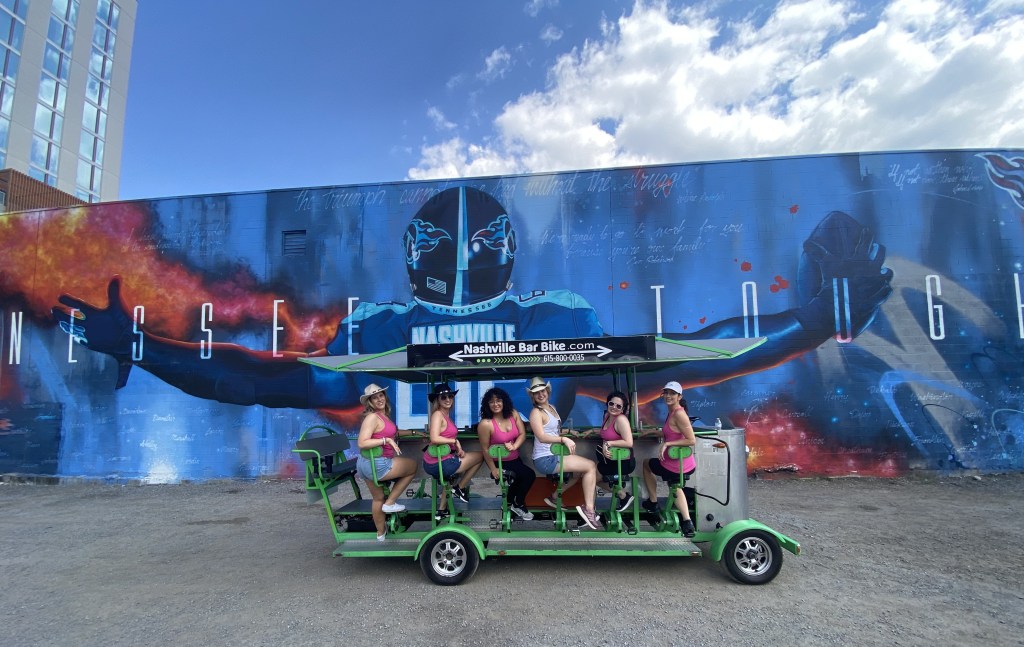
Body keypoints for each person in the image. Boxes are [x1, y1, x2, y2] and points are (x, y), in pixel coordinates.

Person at [52, 188, 892, 423]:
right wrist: (809, 323)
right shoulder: (394, 331)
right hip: (444, 483)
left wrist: (144, 349)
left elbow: (264, 380)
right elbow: (690, 352)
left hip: (517, 487)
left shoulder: (386, 332)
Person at [527, 376, 601, 530]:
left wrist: (568, 432)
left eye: (542, 391)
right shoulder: (536, 413)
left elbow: (553, 430)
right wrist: (563, 439)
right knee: (590, 466)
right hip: (545, 459)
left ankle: (554, 497)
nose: (540, 394)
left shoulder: (552, 408)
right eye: (536, 393)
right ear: (532, 396)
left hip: (554, 455)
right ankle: (589, 510)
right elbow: (541, 436)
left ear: (548, 391)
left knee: (579, 472)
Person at [354, 383, 420, 542]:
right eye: (374, 398)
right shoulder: (372, 417)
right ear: (370, 402)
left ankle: (380, 534)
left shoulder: (382, 416)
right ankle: (390, 502)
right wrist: (386, 440)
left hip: (367, 463)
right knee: (413, 466)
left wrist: (414, 432)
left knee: (378, 498)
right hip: (377, 464)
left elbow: (393, 432)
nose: (379, 399)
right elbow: (362, 442)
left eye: (381, 395)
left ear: (385, 396)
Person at [641, 381, 697, 538]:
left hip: (677, 465)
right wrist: (654, 432)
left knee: (646, 464)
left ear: (679, 396)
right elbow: (672, 432)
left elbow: (691, 440)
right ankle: (687, 522)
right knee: (674, 486)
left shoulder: (679, 414)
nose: (668, 396)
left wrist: (668, 444)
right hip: (679, 463)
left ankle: (653, 502)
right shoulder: (672, 412)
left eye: (672, 393)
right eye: (666, 392)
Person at [476, 387, 536, 521]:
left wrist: (514, 446)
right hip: (500, 462)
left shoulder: (513, 413)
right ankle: (518, 504)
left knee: (519, 479)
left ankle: (508, 503)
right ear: (487, 405)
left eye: (498, 400)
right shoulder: (485, 424)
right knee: (529, 475)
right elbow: (485, 449)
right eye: (491, 402)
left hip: (515, 458)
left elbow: (522, 434)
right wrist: (493, 469)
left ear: (504, 401)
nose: (495, 404)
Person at [423, 381, 483, 513]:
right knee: (481, 455)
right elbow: (434, 438)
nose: (448, 399)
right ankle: (460, 488)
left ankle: (441, 510)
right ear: (437, 400)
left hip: (441, 459)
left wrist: (457, 448)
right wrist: (455, 441)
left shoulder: (445, 415)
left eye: (450, 396)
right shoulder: (437, 414)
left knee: (452, 476)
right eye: (443, 397)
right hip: (439, 462)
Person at [589, 390, 636, 517]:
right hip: (610, 460)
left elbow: (629, 442)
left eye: (618, 406)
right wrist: (592, 431)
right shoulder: (607, 416)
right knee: (590, 476)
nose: (614, 407)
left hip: (622, 462)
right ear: (607, 403)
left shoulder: (621, 420)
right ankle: (622, 495)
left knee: (590, 476)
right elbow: (607, 433)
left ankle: (591, 512)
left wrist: (609, 443)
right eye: (611, 403)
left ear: (623, 409)